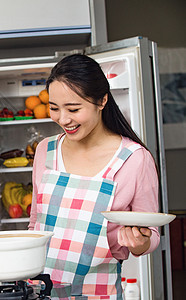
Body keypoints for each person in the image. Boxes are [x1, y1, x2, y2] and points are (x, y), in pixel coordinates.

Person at [28, 54, 160, 299]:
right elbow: (36, 221)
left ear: (102, 101)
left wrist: (139, 242)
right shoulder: (45, 150)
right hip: (39, 291)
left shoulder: (134, 159)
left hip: (99, 293)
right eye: (54, 108)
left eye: (74, 109)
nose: (63, 119)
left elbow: (151, 235)